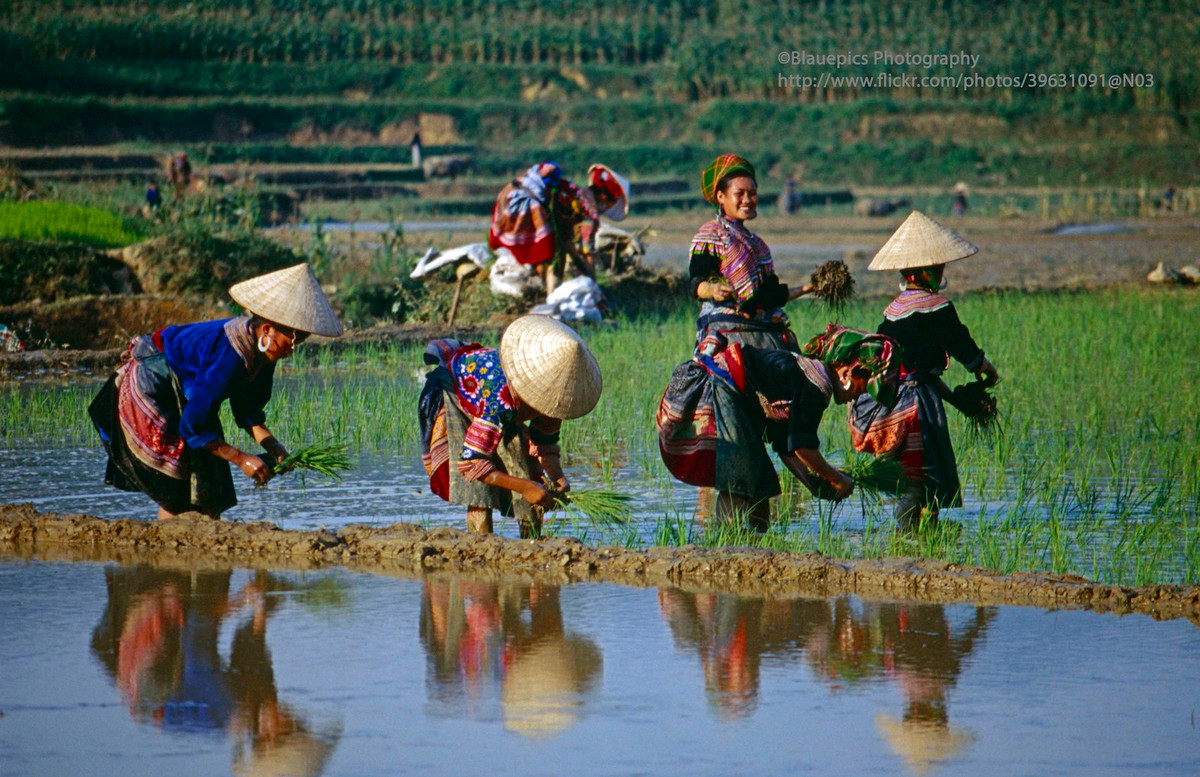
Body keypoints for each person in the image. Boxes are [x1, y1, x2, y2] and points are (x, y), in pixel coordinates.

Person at [88, 263, 344, 520]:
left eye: (300, 342)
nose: (293, 350)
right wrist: (241, 458)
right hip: (154, 385)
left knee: (210, 488)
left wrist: (276, 448)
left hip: (191, 393)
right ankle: (167, 546)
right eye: (292, 341)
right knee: (178, 485)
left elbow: (248, 411)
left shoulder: (265, 354)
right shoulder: (230, 356)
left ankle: (200, 545)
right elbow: (192, 426)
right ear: (267, 330)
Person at [657, 324, 900, 531]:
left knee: (762, 485)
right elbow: (802, 446)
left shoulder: (808, 376)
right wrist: (835, 478)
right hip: (724, 387)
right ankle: (724, 548)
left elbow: (785, 444)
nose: (858, 395)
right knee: (739, 482)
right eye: (863, 385)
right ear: (847, 372)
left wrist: (813, 485)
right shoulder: (818, 385)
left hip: (737, 399)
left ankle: (758, 546)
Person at [849, 211, 1000, 531]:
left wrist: (958, 401)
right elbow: (963, 346)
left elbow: (915, 373)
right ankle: (913, 542)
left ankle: (915, 541)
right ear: (933, 270)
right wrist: (984, 368)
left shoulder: (892, 313)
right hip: (919, 409)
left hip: (893, 405)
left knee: (911, 477)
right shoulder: (938, 308)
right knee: (921, 478)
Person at [418, 314, 602, 537]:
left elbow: (545, 443)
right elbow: (471, 463)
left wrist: (558, 477)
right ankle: (481, 544)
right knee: (480, 492)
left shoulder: (556, 399)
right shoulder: (500, 398)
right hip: (456, 391)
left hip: (496, 406)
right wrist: (524, 487)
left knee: (531, 472)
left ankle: (532, 541)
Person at [689, 155, 812, 353]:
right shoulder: (711, 235)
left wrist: (809, 287)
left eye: (752, 193)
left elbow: (770, 296)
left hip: (761, 330)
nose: (747, 200)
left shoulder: (758, 245)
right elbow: (697, 281)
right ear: (721, 197)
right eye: (740, 194)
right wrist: (712, 290)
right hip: (725, 329)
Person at [488, 162, 630, 296]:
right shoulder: (589, 212)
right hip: (529, 208)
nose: (606, 207)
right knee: (556, 259)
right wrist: (593, 283)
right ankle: (551, 298)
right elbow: (587, 252)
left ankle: (544, 291)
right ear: (604, 197)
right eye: (610, 203)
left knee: (554, 251)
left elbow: (567, 240)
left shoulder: (573, 190)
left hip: (509, 195)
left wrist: (576, 260)